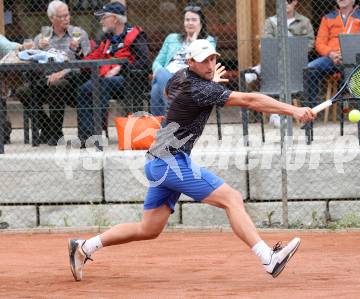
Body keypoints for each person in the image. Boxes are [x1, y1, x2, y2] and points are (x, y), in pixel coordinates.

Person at [68, 39, 316, 281]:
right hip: (169, 161)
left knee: (148, 229)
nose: (210, 65)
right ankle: (267, 258)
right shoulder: (201, 88)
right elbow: (250, 100)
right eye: (203, 61)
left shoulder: (182, 77)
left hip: (158, 162)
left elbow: (168, 90)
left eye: (212, 59)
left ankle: (85, 246)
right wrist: (293, 110)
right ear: (191, 62)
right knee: (232, 198)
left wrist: (212, 86)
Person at [15, 0, 90, 145]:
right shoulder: (41, 38)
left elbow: (87, 62)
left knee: (58, 84)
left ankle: (53, 134)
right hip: (46, 79)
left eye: (67, 15)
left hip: (72, 81)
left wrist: (63, 71)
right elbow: (32, 61)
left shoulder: (79, 34)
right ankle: (50, 129)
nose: (66, 19)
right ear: (51, 18)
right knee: (22, 91)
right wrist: (37, 47)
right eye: (61, 17)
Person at [76, 2, 149, 146]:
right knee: (83, 89)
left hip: (130, 81)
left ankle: (98, 132)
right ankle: (86, 136)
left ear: (114, 19)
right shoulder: (107, 38)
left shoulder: (135, 35)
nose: (100, 20)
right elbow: (92, 57)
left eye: (104, 17)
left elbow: (145, 64)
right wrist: (78, 54)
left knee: (101, 83)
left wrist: (121, 67)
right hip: (106, 80)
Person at [303, 0, 360, 127]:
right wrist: (331, 54)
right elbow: (319, 43)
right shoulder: (327, 18)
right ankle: (310, 113)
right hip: (332, 58)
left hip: (354, 58)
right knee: (309, 69)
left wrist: (350, 54)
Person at [150, 4, 216, 116]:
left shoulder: (208, 41)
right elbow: (157, 62)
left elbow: (205, 62)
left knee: (156, 88)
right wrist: (159, 73)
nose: (190, 23)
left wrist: (194, 40)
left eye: (194, 20)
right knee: (160, 75)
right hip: (167, 76)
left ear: (201, 23)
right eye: (187, 20)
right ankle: (174, 114)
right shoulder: (172, 38)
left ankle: (163, 123)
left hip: (187, 77)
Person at [260, 0, 315, 127]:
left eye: (289, 1)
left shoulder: (304, 21)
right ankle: (278, 113)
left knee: (306, 70)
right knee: (275, 64)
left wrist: (294, 50)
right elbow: (267, 43)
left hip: (298, 60)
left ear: (295, 2)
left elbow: (310, 43)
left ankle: (281, 114)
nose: (285, 3)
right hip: (276, 60)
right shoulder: (271, 21)